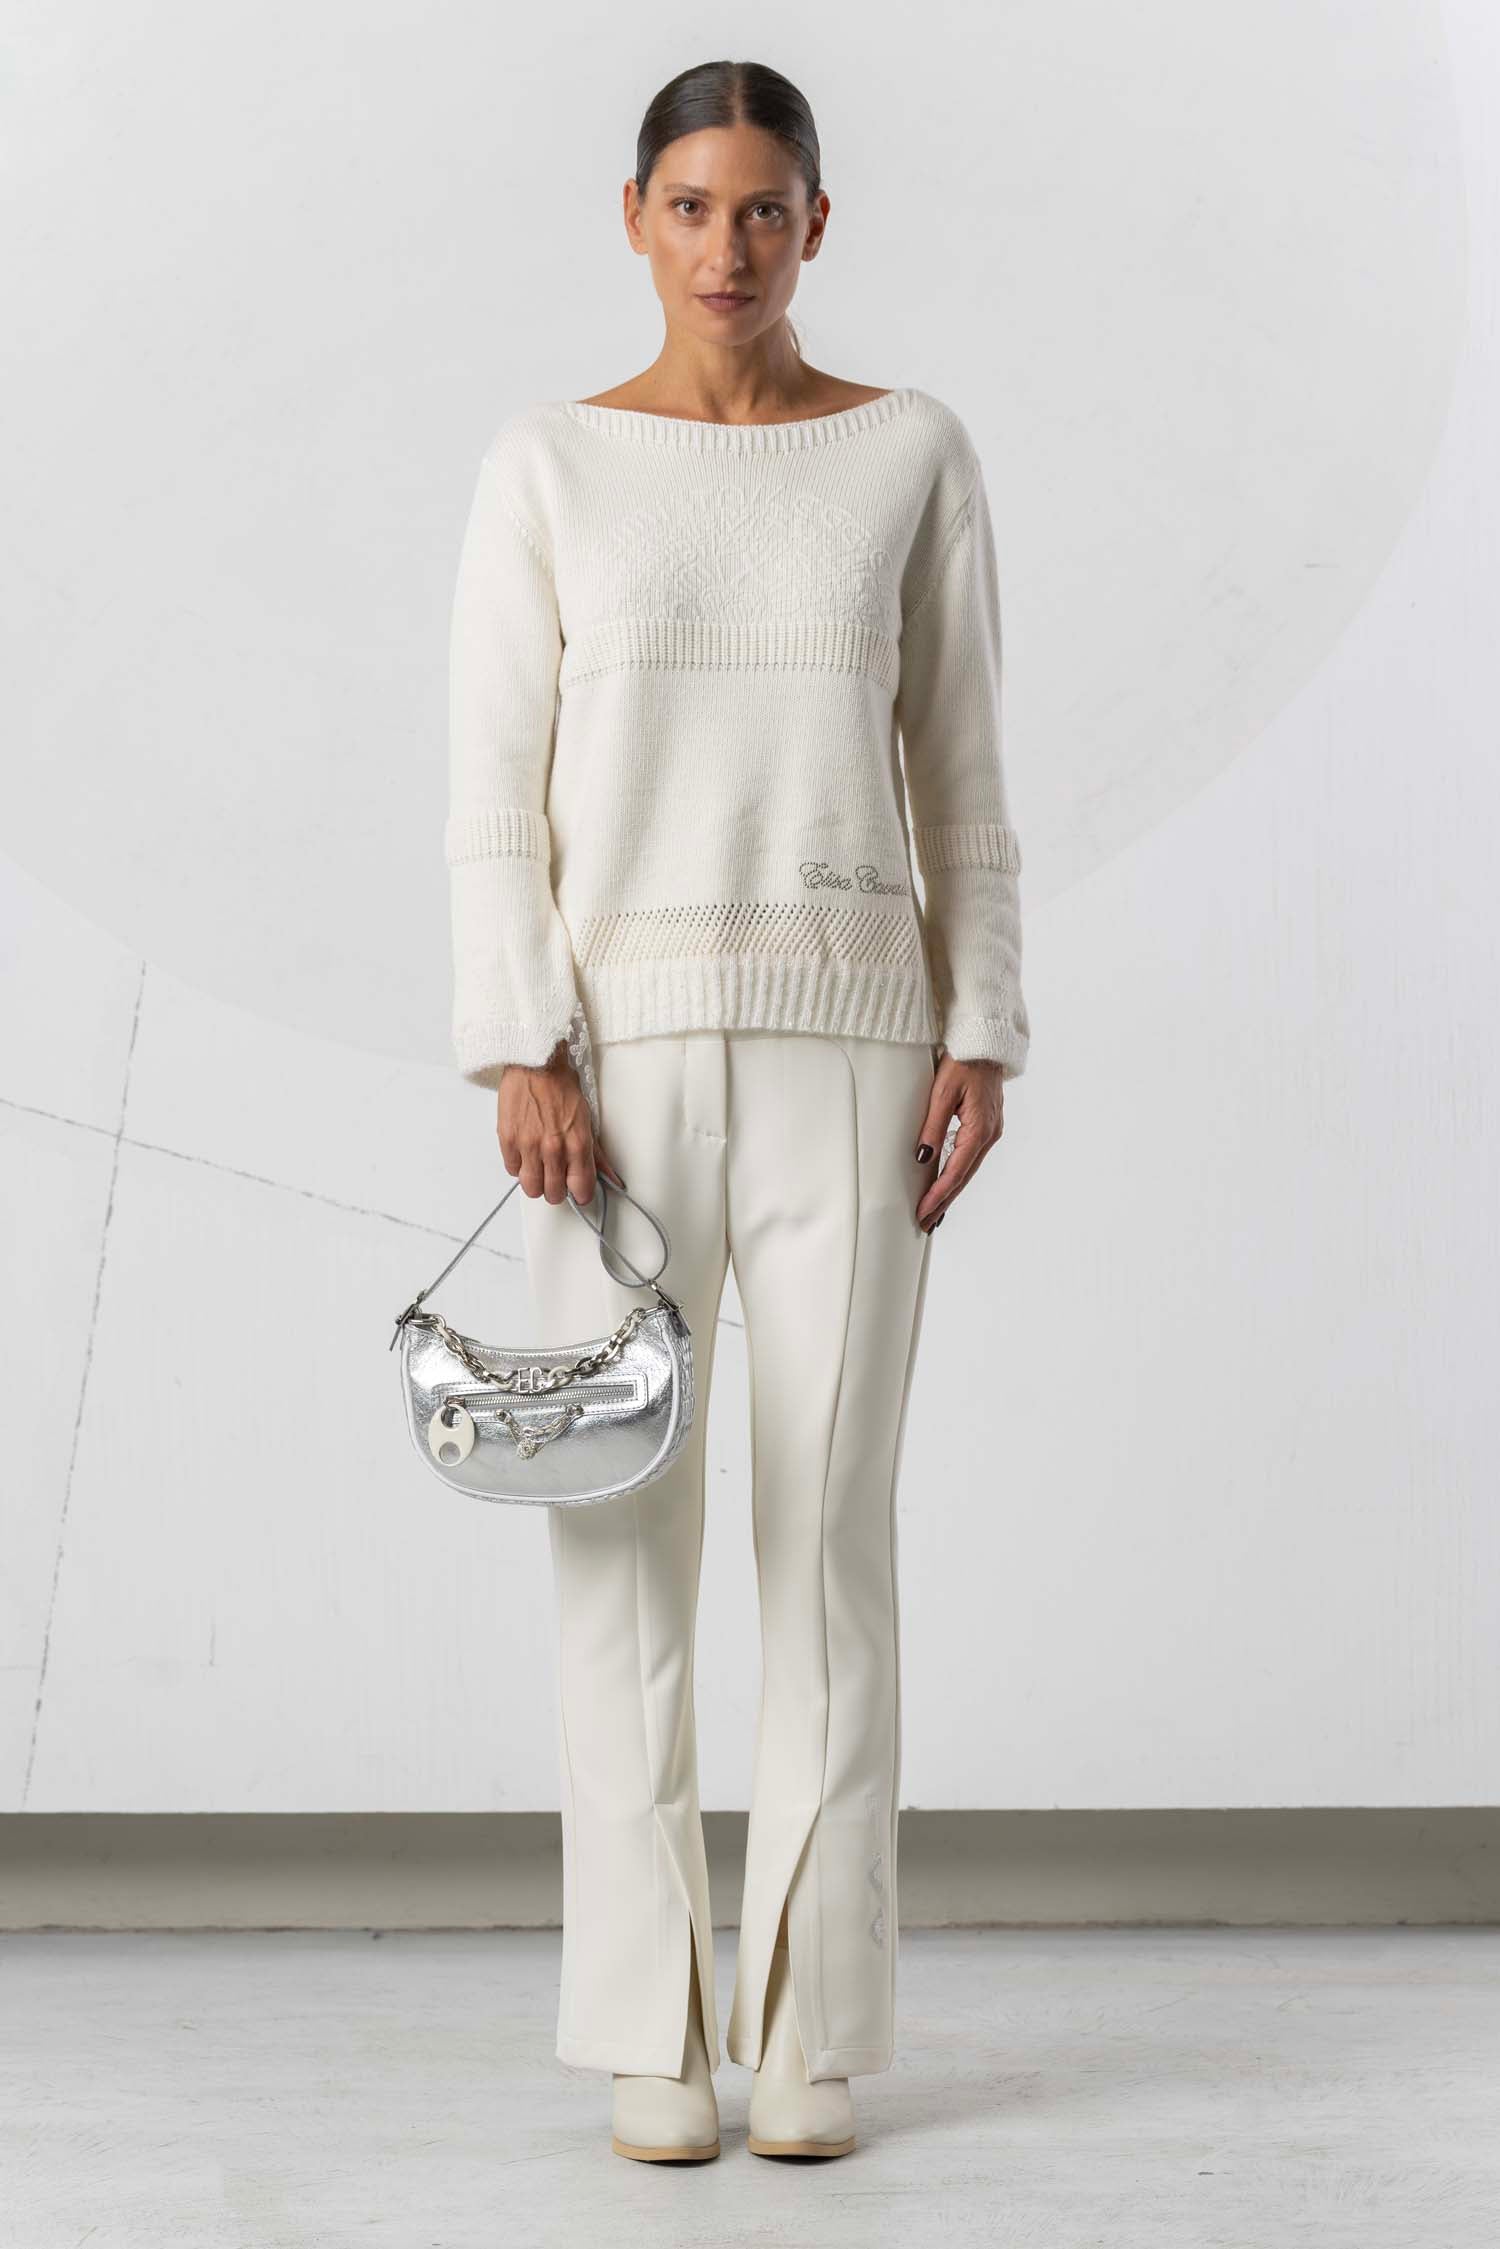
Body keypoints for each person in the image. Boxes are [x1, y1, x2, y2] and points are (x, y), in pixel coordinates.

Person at [444, 56, 1030, 2165]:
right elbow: (491, 788)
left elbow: (961, 764)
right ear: (635, 219)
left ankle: (809, 2030)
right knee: (620, 1549)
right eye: (690, 207)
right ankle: (646, 2028)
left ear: (816, 225)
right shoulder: (549, 464)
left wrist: (986, 1025)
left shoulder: (910, 454)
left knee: (831, 1546)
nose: (727, 247)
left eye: (764, 209)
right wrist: (519, 1043)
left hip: (857, 1053)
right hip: (606, 1081)